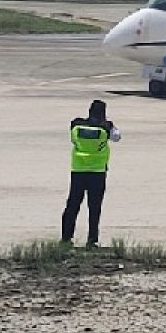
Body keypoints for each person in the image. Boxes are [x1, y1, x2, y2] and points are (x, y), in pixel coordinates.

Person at [61, 99, 121, 248]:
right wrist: (109, 124)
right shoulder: (106, 127)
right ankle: (92, 240)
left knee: (72, 205)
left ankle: (66, 238)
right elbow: (117, 137)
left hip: (78, 171)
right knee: (94, 208)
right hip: (97, 172)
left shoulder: (76, 125)